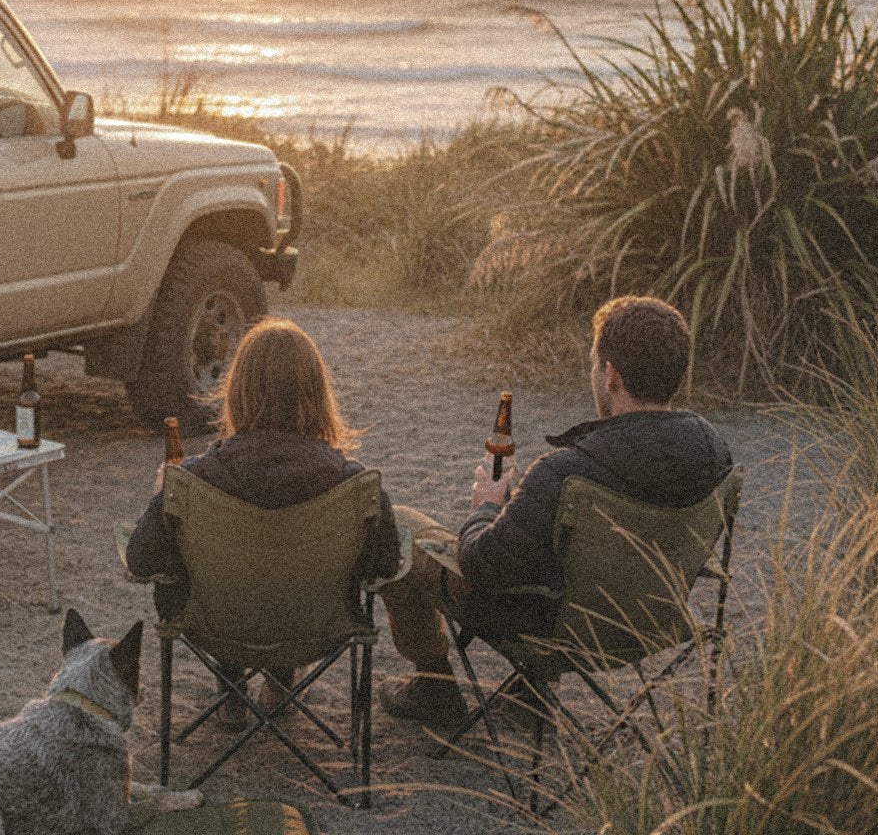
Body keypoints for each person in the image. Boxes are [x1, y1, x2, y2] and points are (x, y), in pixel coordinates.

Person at [380, 294, 734, 732]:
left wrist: (488, 505)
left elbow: (481, 565)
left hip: (559, 631)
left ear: (610, 376)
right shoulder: (714, 454)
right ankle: (530, 692)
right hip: (654, 622)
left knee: (403, 527)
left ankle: (435, 690)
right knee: (555, 540)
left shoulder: (566, 473)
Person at [125, 318, 401, 715]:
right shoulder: (353, 485)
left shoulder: (193, 481)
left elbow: (141, 561)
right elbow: (385, 565)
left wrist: (161, 498)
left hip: (214, 630)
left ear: (236, 391)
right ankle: (281, 682)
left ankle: (231, 684)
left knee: (197, 563)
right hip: (316, 631)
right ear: (317, 393)